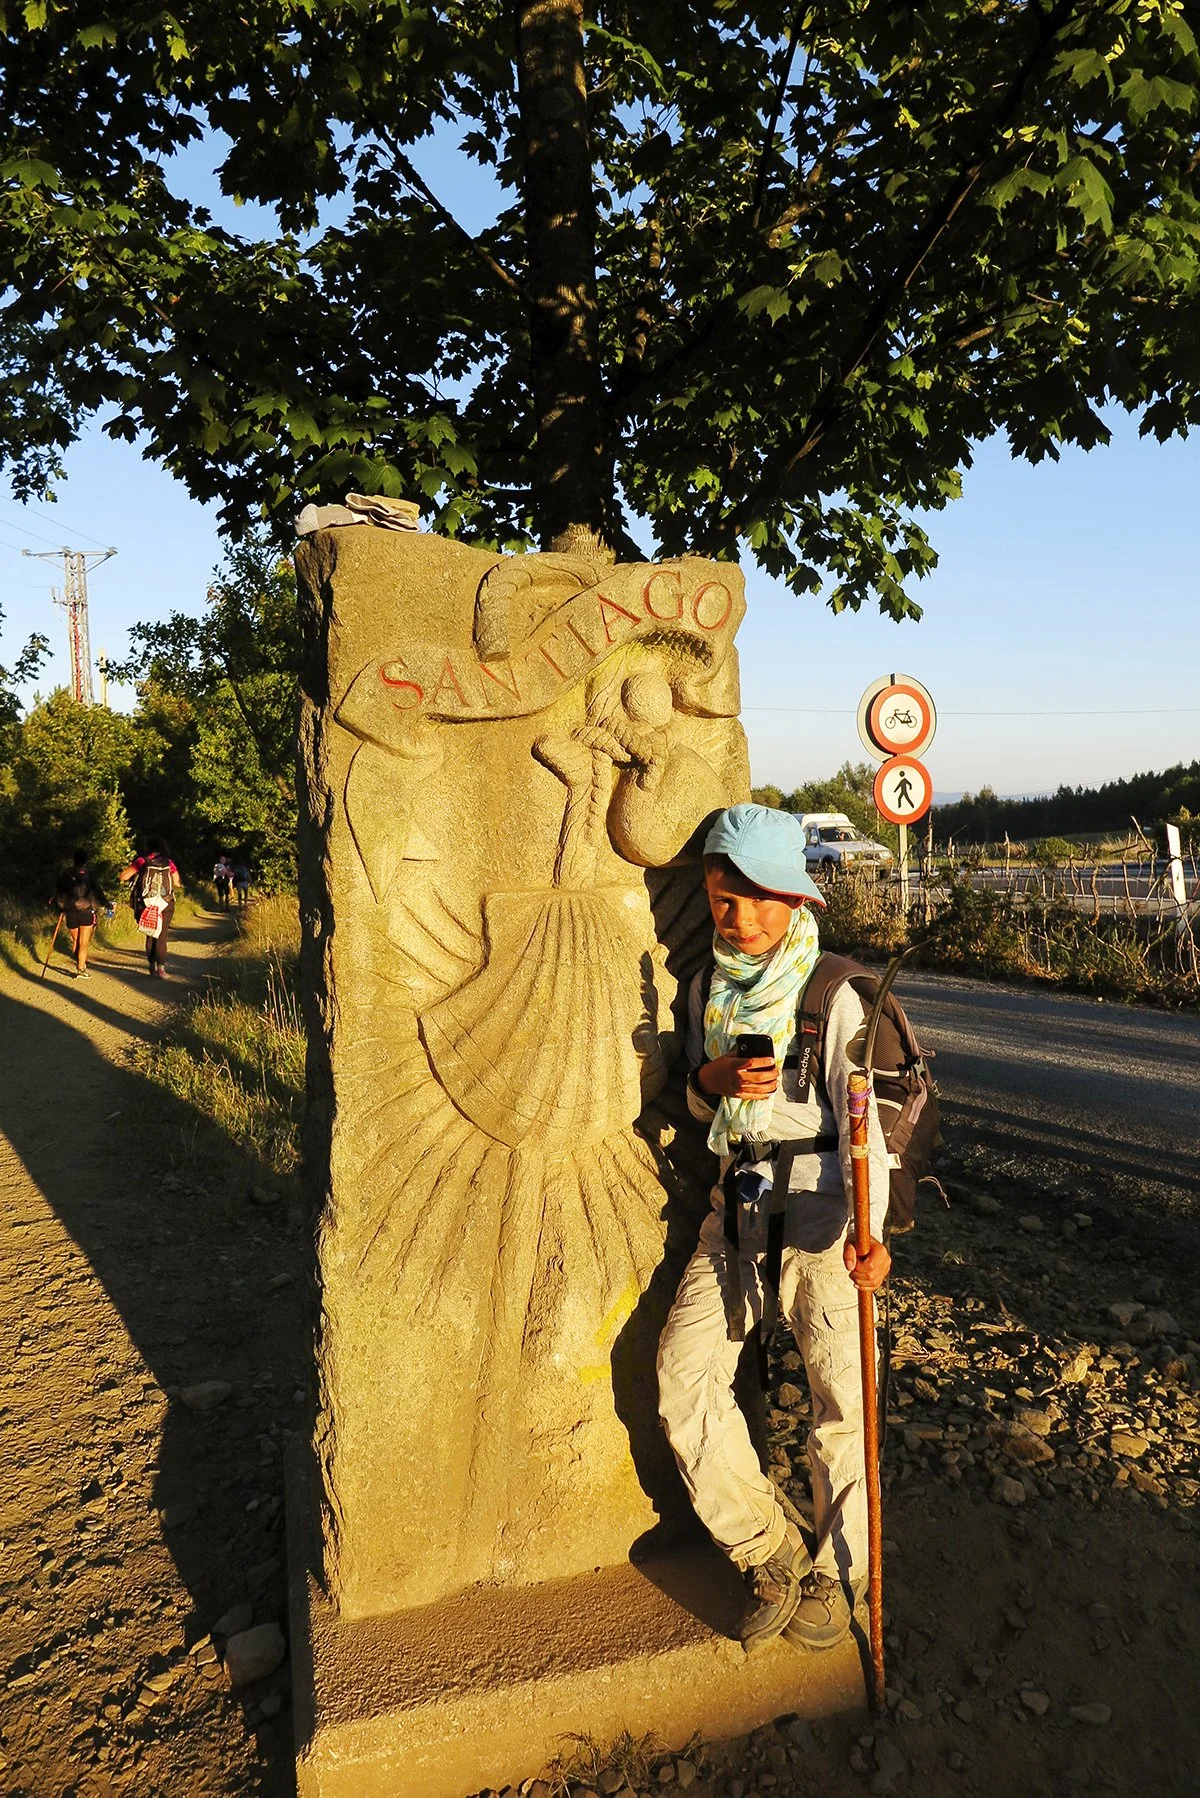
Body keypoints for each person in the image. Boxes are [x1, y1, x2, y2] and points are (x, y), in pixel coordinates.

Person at [657, 804, 891, 1656]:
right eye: (725, 899)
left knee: (840, 1403)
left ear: (798, 900)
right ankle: (771, 1550)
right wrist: (712, 1078)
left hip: (826, 1222)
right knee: (682, 1381)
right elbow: (694, 1104)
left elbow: (867, 1127)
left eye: (762, 898)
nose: (743, 918)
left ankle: (839, 1572)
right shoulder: (703, 991)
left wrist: (873, 1235)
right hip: (737, 1214)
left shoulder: (835, 993)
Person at [119, 837, 183, 979]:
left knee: (150, 933)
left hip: (147, 903)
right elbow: (177, 882)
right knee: (162, 935)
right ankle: (161, 968)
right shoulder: (168, 862)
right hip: (166, 903)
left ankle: (151, 965)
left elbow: (123, 876)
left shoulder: (142, 861)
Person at [50, 849, 109, 980]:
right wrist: (106, 904)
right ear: (86, 861)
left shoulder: (66, 874)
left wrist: (59, 904)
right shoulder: (89, 875)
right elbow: (98, 892)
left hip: (70, 911)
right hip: (86, 911)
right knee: (84, 942)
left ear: (74, 859)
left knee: (76, 940)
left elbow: (58, 891)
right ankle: (81, 968)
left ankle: (78, 960)